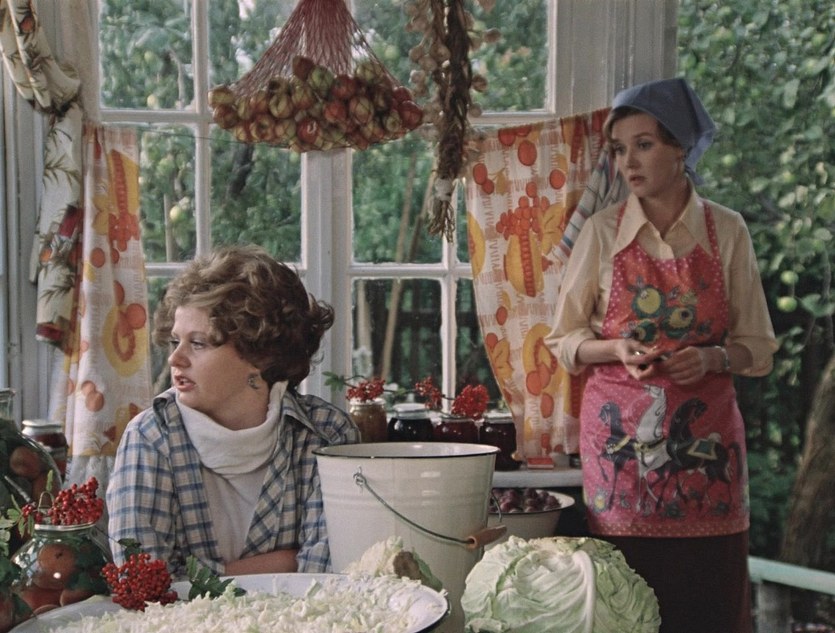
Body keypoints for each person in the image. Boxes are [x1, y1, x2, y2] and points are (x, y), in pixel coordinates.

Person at [546, 78, 778, 633]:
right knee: (626, 604)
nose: (628, 162)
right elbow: (564, 340)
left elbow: (760, 348)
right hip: (622, 457)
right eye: (619, 149)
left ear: (681, 148)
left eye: (644, 145)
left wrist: (713, 359)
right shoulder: (602, 233)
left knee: (709, 602)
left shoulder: (728, 231)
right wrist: (615, 349)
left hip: (706, 448)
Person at [107, 244, 360, 578]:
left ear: (260, 355)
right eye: (176, 341)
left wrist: (196, 575)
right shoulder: (149, 437)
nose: (175, 359)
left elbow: (327, 575)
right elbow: (142, 582)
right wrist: (284, 562)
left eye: (198, 343)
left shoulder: (326, 434)